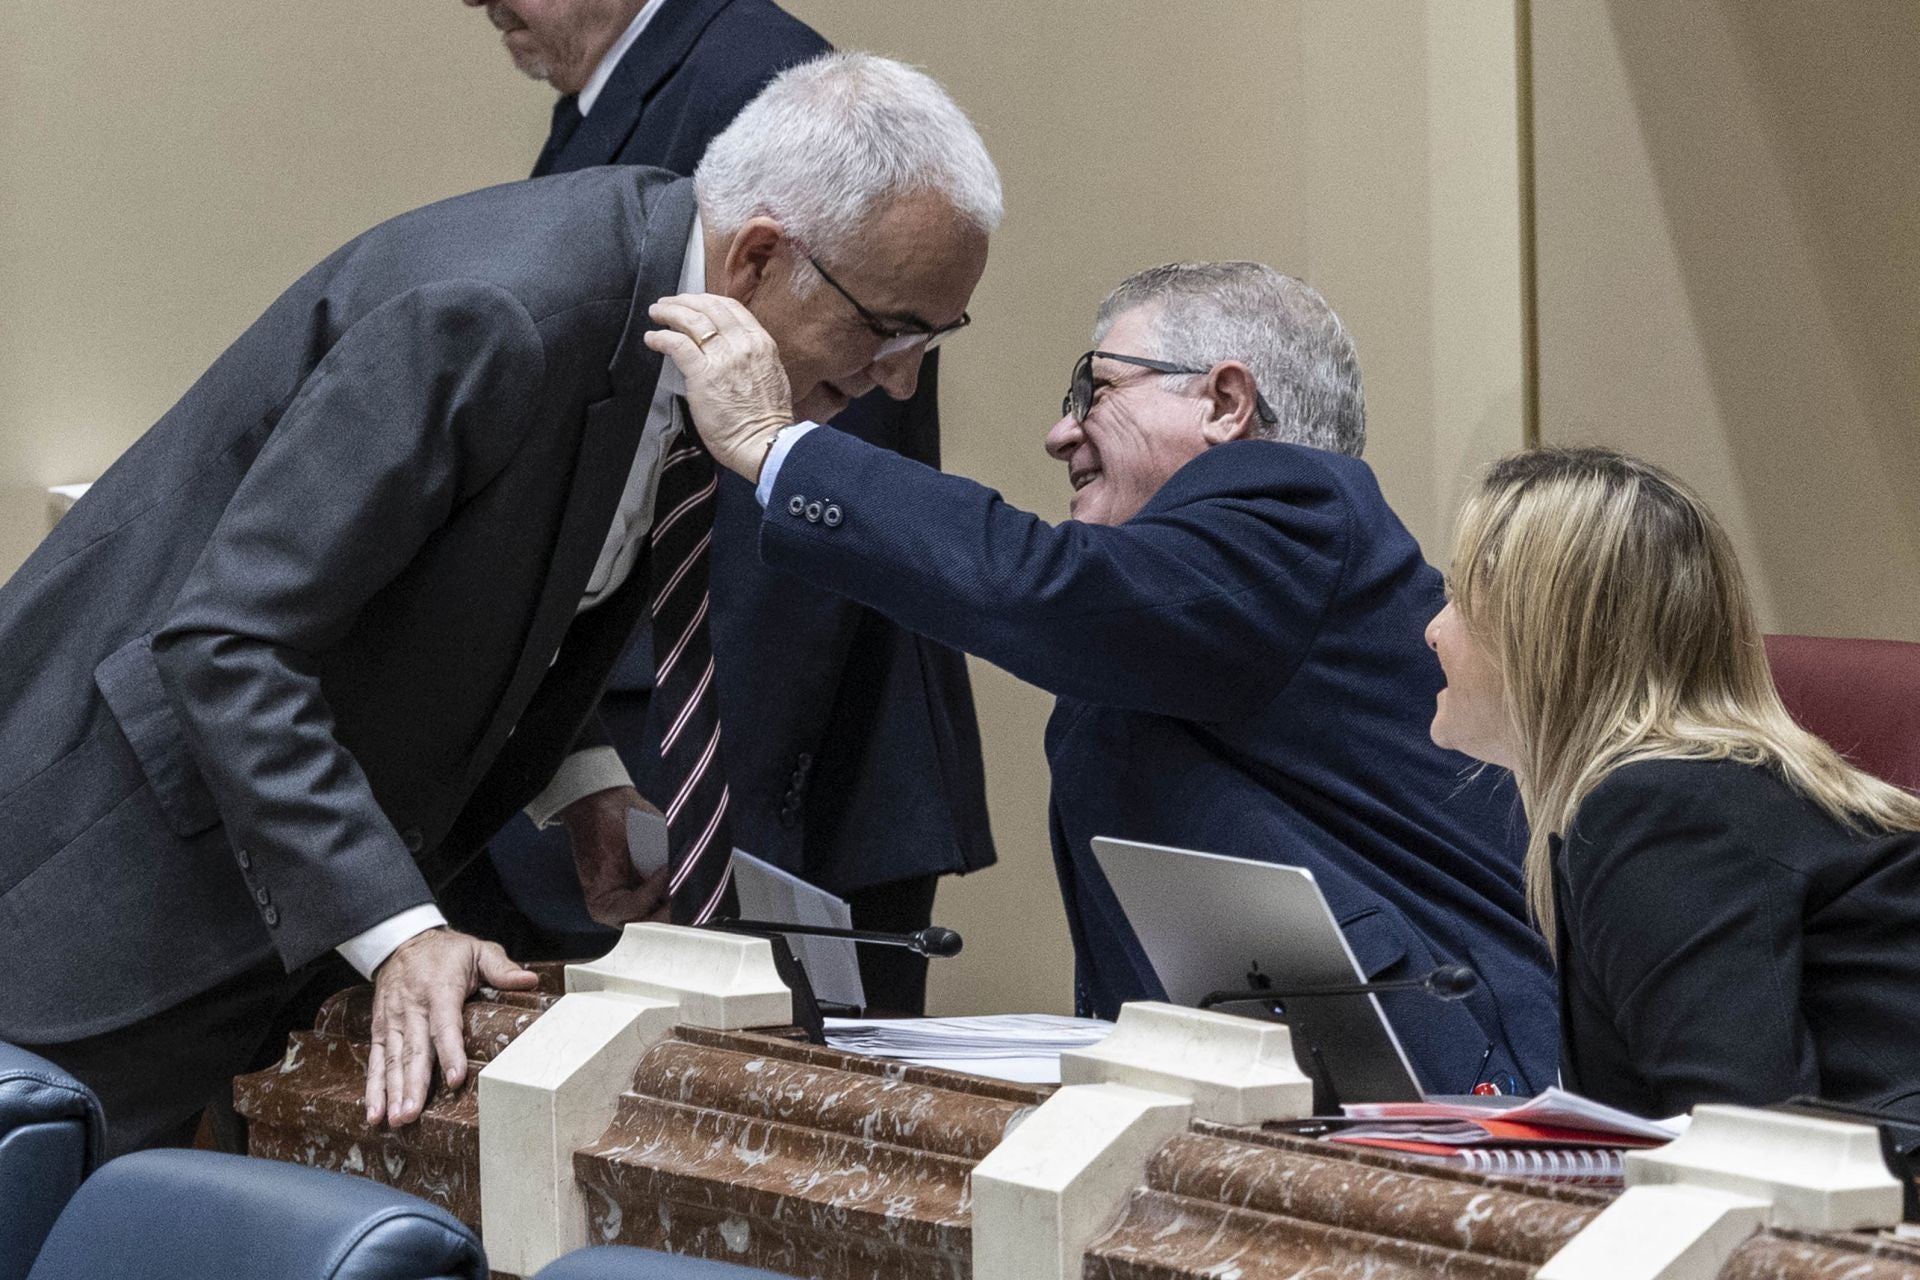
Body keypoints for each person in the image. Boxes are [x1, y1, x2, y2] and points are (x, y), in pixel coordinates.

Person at [0, 51, 1002, 1157]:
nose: (900, 380)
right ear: (760, 255)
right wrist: (404, 934)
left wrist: (583, 781)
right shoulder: (496, 312)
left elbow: (506, 574)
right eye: (890, 329)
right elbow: (227, 645)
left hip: (272, 893)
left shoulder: (676, 316)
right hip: (110, 881)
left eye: (932, 341)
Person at [645, 262, 1560, 1094]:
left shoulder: (1297, 511)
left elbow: (1043, 586)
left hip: (1447, 1093)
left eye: (1095, 388)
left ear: (1226, 403)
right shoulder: (1186, 583)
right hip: (1308, 1087)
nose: (1059, 433)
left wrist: (778, 444)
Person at [460, 0, 995, 1014]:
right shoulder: (621, 94)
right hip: (642, 781)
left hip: (746, 785)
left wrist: (721, 841)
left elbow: (803, 475)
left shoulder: (758, 77)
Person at [1426, 446, 1920, 1119]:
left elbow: (1744, 1143)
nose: (1432, 630)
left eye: (1456, 595)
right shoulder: (1684, 793)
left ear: (1541, 636)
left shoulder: (1655, 809)